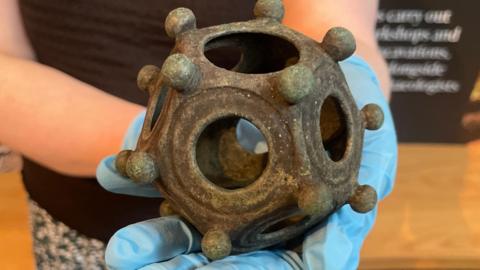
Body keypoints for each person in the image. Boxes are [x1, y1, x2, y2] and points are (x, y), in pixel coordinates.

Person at [0, 0, 397, 269]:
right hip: (76, 211)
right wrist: (161, 142)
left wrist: (352, 75)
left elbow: (334, 16)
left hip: (279, 224)